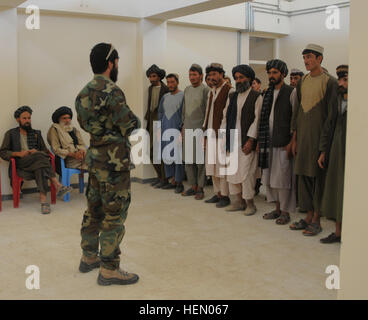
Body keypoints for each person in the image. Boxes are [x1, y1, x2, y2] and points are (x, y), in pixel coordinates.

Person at [75, 43, 140, 285]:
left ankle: (88, 257)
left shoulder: (82, 93)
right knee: (114, 214)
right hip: (115, 164)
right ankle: (109, 269)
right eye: (117, 62)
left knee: (93, 211)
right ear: (111, 63)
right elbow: (130, 124)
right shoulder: (113, 91)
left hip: (94, 161)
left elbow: (85, 124)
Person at [289, 44, 338, 236]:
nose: (306, 61)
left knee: (318, 179)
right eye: (304, 58)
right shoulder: (303, 82)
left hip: (319, 140)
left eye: (310, 57)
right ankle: (308, 215)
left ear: (319, 59)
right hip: (303, 138)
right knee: (303, 177)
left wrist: (324, 147)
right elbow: (297, 112)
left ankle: (317, 219)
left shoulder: (330, 82)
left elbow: (331, 117)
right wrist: (294, 138)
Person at [0, 106, 72, 214]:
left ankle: (44, 202)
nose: (27, 121)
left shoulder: (36, 133)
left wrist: (36, 152)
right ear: (18, 119)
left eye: (29, 118)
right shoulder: (11, 134)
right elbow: (3, 152)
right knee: (40, 157)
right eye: (24, 118)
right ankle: (57, 184)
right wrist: (19, 153)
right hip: (21, 163)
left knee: (40, 165)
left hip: (37, 163)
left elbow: (45, 151)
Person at [259, 59, 297, 225]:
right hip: (268, 140)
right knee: (270, 177)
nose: (271, 76)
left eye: (275, 72)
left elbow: (296, 118)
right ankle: (276, 208)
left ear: (283, 74)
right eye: (269, 73)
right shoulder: (267, 93)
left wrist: (292, 141)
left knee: (282, 178)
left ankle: (285, 212)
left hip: (283, 141)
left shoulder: (291, 92)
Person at [222, 65, 262, 215]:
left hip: (246, 141)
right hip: (232, 140)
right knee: (232, 172)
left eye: (242, 77)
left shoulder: (256, 96)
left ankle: (250, 204)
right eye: (236, 78)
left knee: (246, 174)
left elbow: (257, 120)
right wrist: (224, 139)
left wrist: (251, 140)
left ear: (249, 79)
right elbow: (226, 117)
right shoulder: (233, 96)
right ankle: (238, 202)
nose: (239, 80)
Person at [320, 65, 349, 244]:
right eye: (340, 80)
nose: (341, 83)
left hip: (351, 152)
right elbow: (329, 124)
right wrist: (323, 150)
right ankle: (338, 232)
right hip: (336, 150)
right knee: (336, 190)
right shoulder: (337, 99)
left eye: (345, 80)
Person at [203, 63, 234, 208]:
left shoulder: (229, 90)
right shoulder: (211, 91)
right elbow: (207, 113)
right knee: (212, 165)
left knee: (222, 166)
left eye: (214, 74)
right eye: (209, 76)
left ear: (221, 74)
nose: (212, 78)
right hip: (210, 133)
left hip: (222, 134)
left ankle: (225, 196)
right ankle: (217, 193)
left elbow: (227, 115)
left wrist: (223, 136)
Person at [181, 64, 209, 200]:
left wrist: (205, 131)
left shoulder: (206, 90)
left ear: (201, 76)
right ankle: (192, 186)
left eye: (194, 75)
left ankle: (201, 188)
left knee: (200, 161)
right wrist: (182, 127)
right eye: (190, 75)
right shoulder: (186, 90)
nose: (192, 78)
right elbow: (184, 110)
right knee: (188, 160)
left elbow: (207, 112)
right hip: (187, 128)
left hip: (200, 129)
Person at [158, 73, 185, 193]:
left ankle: (179, 182)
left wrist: (182, 130)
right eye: (168, 82)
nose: (170, 85)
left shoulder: (183, 95)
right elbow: (160, 113)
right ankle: (172, 180)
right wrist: (158, 129)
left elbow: (185, 114)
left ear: (177, 82)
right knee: (167, 155)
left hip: (177, 129)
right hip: (165, 129)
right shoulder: (165, 97)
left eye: (172, 82)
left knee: (178, 156)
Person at [144, 64, 170, 189]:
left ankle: (165, 179)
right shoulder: (150, 89)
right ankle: (159, 176)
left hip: (161, 122)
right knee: (151, 151)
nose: (151, 79)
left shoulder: (165, 89)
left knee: (162, 152)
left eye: (153, 76)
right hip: (151, 121)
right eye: (150, 76)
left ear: (159, 76)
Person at [47, 106, 88, 175]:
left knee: (99, 159)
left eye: (69, 118)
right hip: (67, 160)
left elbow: (82, 144)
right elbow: (56, 149)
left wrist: (81, 151)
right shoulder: (55, 129)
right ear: (58, 119)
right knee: (97, 164)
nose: (67, 120)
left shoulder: (74, 129)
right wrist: (73, 154)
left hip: (80, 158)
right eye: (64, 118)